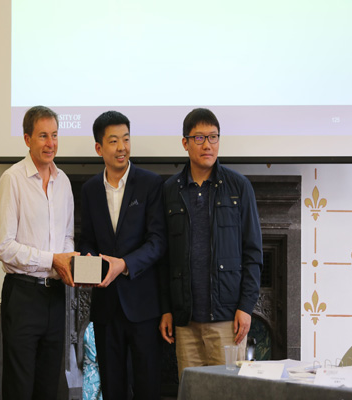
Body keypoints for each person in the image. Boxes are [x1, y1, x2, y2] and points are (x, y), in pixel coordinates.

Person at [159, 108, 263, 379]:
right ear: (185, 143)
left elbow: (253, 252)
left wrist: (246, 307)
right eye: (199, 138)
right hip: (186, 321)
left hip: (227, 320)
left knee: (229, 392)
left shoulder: (239, 187)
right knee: (191, 390)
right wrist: (166, 309)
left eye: (213, 137)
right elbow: (165, 257)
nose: (207, 145)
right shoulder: (170, 190)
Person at [79, 110, 166, 399]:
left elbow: (157, 242)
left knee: (147, 388)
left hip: (143, 307)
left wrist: (125, 264)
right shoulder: (90, 190)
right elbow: (87, 239)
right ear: (99, 148)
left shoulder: (151, 184)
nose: (122, 147)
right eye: (114, 141)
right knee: (112, 388)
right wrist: (90, 260)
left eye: (126, 139)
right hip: (106, 307)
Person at [0, 105, 79, 400]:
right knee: (19, 387)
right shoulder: (12, 179)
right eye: (43, 136)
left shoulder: (63, 181)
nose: (50, 143)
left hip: (56, 296)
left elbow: (67, 236)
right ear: (27, 139)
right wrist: (52, 259)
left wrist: (66, 262)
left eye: (54, 135)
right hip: (23, 296)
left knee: (48, 387)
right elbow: (2, 246)